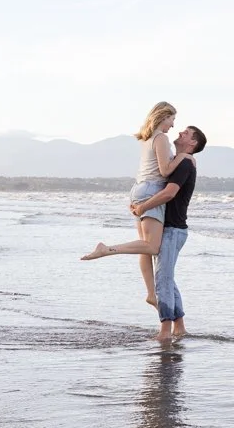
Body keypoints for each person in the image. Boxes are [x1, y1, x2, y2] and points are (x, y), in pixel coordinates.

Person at [82, 126, 206, 341]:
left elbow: (169, 193)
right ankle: (179, 327)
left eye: (186, 133)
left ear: (193, 143)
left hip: (173, 230)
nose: (180, 133)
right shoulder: (180, 160)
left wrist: (143, 207)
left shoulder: (185, 163)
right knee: (166, 278)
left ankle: (165, 331)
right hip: (169, 228)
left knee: (163, 280)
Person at [81, 101, 190, 307]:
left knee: (145, 247)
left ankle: (151, 294)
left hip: (139, 190)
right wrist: (183, 156)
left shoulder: (147, 138)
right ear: (163, 116)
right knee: (152, 246)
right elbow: (165, 171)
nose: (173, 125)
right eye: (172, 119)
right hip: (151, 190)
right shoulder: (160, 138)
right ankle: (107, 249)